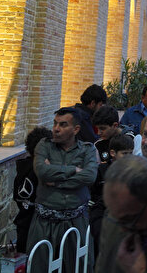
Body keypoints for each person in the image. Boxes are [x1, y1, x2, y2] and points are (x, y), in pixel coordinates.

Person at [27, 107, 98, 273]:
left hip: (76, 222)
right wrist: (73, 170)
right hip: (45, 224)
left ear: (76, 129)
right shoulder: (44, 146)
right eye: (55, 124)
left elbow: (89, 177)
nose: (56, 129)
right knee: (40, 267)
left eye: (63, 124)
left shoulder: (87, 149)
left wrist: (55, 180)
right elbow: (42, 171)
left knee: (78, 266)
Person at [14, 126, 51, 253]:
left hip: (23, 225)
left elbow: (17, 197)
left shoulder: (22, 168)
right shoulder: (40, 172)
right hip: (38, 230)